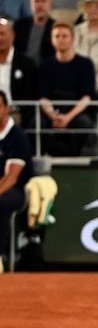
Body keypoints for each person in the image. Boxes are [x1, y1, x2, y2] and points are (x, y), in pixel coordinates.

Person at [36, 22, 97, 157]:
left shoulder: (85, 64)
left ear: (72, 39)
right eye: (57, 36)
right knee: (36, 123)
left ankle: (73, 157)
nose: (61, 40)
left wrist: (67, 117)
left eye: (64, 36)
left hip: (76, 109)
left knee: (83, 123)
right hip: (52, 108)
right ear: (52, 39)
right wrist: (54, 116)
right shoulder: (44, 66)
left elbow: (87, 97)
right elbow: (43, 97)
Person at [0, 89, 31, 272]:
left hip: (16, 190)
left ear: (7, 109)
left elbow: (11, 178)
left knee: (1, 203)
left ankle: (0, 255)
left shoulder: (18, 136)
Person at [0, 17, 36, 129]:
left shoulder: (26, 64)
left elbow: (31, 94)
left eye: (2, 34)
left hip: (16, 112)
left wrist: (11, 109)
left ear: (12, 36)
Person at [13, 0, 55, 64]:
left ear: (50, 3)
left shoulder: (55, 27)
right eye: (36, 1)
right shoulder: (19, 25)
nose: (40, 5)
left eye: (43, 1)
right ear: (30, 4)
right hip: (22, 70)